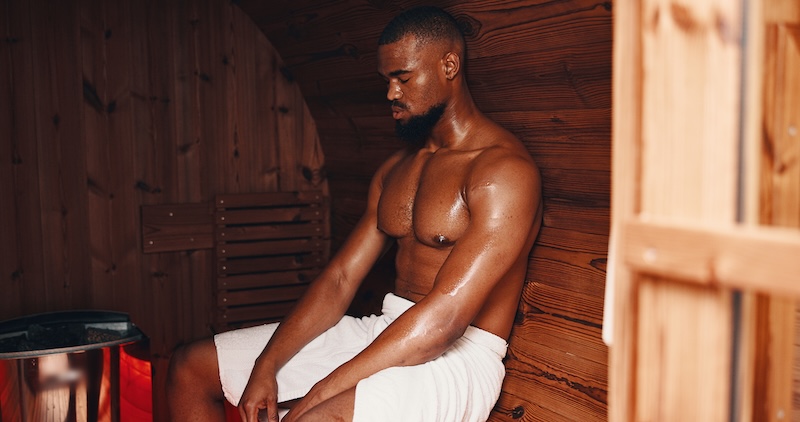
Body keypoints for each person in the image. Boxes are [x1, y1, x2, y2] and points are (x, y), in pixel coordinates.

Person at [167, 6, 542, 422]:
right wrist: (267, 365)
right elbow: (340, 279)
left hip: (458, 357)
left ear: (449, 65)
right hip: (386, 328)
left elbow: (445, 321)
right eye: (387, 81)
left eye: (403, 78)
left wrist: (320, 392)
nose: (391, 94)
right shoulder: (397, 170)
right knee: (190, 366)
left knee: (314, 417)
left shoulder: (502, 173)